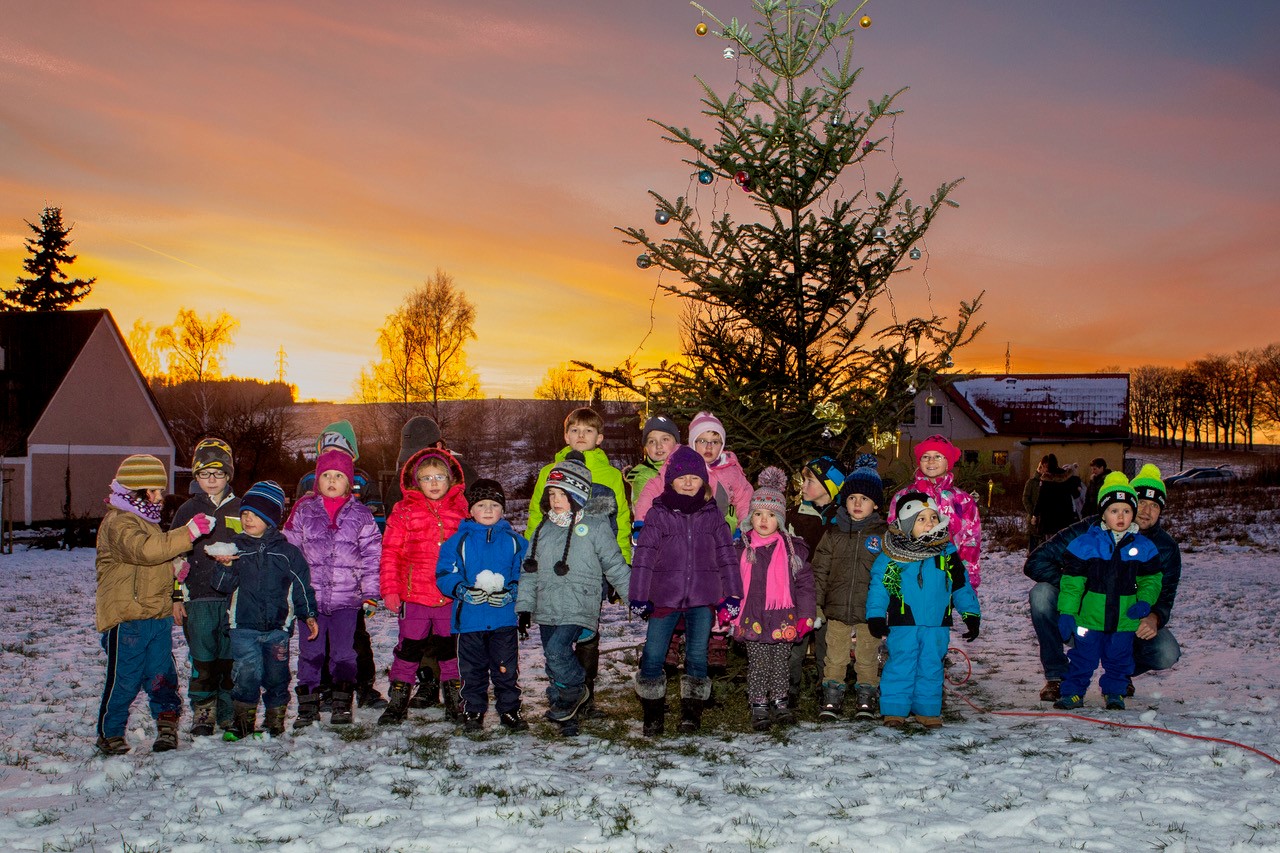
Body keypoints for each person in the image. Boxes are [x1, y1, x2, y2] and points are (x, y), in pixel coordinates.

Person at [1025, 463, 1182, 701]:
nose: (1147, 511)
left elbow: (1166, 594)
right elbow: (1036, 561)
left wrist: (1155, 616)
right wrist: (1084, 591)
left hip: (1126, 620)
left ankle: (1120, 673)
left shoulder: (1166, 548)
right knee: (1041, 594)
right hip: (1084, 615)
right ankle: (1057, 676)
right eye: (1141, 502)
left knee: (1166, 652)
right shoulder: (1089, 531)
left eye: (1155, 505)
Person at [95, 455, 212, 755]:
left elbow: (154, 559)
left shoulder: (147, 522)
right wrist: (187, 533)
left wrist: (173, 568)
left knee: (162, 675)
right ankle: (110, 734)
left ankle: (167, 726)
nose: (160, 497)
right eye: (156, 490)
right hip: (128, 620)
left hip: (156, 617)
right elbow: (144, 551)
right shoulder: (119, 523)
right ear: (138, 490)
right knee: (124, 679)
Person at [629, 446, 741, 736]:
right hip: (664, 598)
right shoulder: (658, 514)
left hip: (702, 599)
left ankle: (691, 715)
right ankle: (653, 715)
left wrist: (732, 594)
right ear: (670, 480)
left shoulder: (712, 515)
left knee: (697, 656)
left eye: (694, 477)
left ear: (704, 481)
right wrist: (638, 596)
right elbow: (643, 558)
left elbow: (727, 556)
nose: (688, 482)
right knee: (654, 655)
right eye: (682, 477)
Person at [516, 455, 631, 736]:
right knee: (552, 657)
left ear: (578, 494)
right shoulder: (542, 530)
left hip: (580, 603)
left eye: (563, 494)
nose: (556, 500)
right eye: (552, 493)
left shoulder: (595, 526)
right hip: (547, 605)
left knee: (558, 652)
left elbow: (615, 565)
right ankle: (565, 711)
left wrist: (635, 598)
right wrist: (523, 608)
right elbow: (529, 571)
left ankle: (575, 691)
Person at [211, 481, 319, 739]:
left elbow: (302, 586)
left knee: (276, 676)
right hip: (243, 628)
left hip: (277, 630)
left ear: (270, 518)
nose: (248, 519)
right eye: (245, 514)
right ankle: (243, 722)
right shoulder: (235, 550)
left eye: (255, 515)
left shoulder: (288, 553)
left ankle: (274, 720)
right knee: (247, 675)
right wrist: (225, 566)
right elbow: (221, 587)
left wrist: (309, 614)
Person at [292, 422, 388, 711]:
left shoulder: (364, 482)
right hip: (318, 585)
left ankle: (362, 685)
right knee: (316, 639)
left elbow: (376, 529)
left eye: (341, 450)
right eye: (328, 450)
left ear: (353, 455)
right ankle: (321, 689)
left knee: (354, 639)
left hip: (350, 585)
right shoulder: (308, 484)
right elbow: (296, 534)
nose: (333, 455)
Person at [866, 492, 980, 729]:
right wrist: (875, 615)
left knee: (931, 665)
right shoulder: (893, 556)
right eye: (921, 519)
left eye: (932, 517)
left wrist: (970, 613)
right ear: (907, 526)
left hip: (937, 624)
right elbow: (880, 586)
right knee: (901, 663)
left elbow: (960, 583)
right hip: (904, 621)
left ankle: (927, 709)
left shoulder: (947, 553)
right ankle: (895, 709)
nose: (929, 522)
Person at [1053, 472, 1162, 711]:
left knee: (1119, 659)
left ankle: (1115, 692)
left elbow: (1151, 580)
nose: (1120, 516)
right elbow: (1072, 582)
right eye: (1114, 511)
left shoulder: (1143, 547)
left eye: (1126, 511)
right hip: (1089, 618)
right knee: (1083, 658)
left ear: (1133, 513)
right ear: (1103, 513)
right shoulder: (1086, 544)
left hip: (1124, 619)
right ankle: (1073, 692)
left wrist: (1145, 601)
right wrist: (1067, 612)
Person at [378, 448, 470, 724]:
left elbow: (471, 554)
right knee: (408, 650)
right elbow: (390, 552)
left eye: (439, 477)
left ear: (450, 480)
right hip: (414, 596)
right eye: (426, 477)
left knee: (450, 651)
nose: (433, 483)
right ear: (416, 481)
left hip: (449, 597)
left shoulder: (461, 513)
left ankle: (456, 702)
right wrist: (390, 589)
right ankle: (397, 702)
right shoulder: (404, 512)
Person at [432, 479, 530, 733]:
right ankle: (473, 710)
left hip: (504, 621)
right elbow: (444, 573)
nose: (488, 510)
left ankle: (510, 710)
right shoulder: (458, 541)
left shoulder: (515, 542)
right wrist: (461, 590)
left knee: (505, 670)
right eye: (482, 504)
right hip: (470, 621)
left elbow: (528, 574)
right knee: (472, 671)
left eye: (495, 505)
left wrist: (513, 593)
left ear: (502, 510)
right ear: (471, 510)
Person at [731, 468, 816, 731]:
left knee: (780, 662)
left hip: (783, 617)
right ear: (750, 517)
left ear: (779, 519)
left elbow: (804, 585)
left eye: (770, 515)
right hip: (752, 617)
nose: (763, 520)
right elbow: (730, 582)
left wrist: (806, 615)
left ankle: (780, 702)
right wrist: (728, 608)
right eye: (758, 514)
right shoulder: (741, 550)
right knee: (757, 664)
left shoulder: (793, 550)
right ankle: (758, 704)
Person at [169, 437, 241, 736]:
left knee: (229, 658)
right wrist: (176, 596)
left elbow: (252, 547)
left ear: (229, 474)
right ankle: (204, 710)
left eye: (219, 473)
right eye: (204, 474)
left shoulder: (241, 507)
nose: (212, 480)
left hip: (233, 600)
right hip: (197, 597)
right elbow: (174, 555)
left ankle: (227, 710)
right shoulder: (187, 510)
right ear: (196, 476)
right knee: (203, 657)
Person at [811, 457, 887, 720]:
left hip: (869, 610)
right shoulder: (834, 533)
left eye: (864, 499)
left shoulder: (883, 536)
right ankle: (832, 696)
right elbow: (819, 569)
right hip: (837, 608)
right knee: (835, 656)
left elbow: (890, 575)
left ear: (875, 503)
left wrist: (887, 608)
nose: (857, 503)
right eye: (852, 497)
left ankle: (866, 697)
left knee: (867, 656)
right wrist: (817, 604)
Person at [526, 407, 632, 561]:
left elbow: (619, 521)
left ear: (599, 438)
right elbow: (537, 513)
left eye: (588, 430)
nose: (581, 435)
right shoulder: (550, 471)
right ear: (567, 436)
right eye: (575, 430)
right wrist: (531, 554)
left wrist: (623, 559)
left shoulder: (611, 475)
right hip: (556, 555)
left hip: (596, 558)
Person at [785, 454, 847, 707]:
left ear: (829, 487)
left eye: (810, 481)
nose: (803, 486)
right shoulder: (793, 516)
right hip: (800, 592)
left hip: (832, 594)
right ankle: (787, 689)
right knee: (794, 646)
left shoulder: (843, 518)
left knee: (829, 646)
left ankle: (827, 689)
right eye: (803, 480)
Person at [633, 411, 753, 532]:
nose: (709, 446)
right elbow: (652, 490)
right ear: (692, 442)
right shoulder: (680, 464)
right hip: (685, 532)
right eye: (702, 441)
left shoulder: (730, 470)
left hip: (722, 535)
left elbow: (745, 500)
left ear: (722, 445)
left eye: (715, 442)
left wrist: (744, 529)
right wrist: (641, 523)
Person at [888, 434, 982, 588]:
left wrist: (968, 578)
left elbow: (971, 540)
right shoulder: (903, 497)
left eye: (938, 456)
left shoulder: (962, 500)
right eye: (926, 457)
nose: (931, 461)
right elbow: (894, 533)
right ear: (919, 462)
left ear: (948, 463)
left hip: (949, 574)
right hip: (911, 573)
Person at [623, 414, 682, 538]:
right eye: (652, 441)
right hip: (655, 535)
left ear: (677, 443)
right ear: (646, 448)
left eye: (665, 439)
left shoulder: (687, 469)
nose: (658, 445)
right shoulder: (642, 475)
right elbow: (645, 508)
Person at [1029, 454, 1079, 552]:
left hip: (1049, 517)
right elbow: (1075, 494)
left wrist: (1035, 514)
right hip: (1065, 515)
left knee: (1051, 543)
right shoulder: (1066, 476)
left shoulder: (1046, 479)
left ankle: (1054, 562)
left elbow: (1041, 499)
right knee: (1064, 541)